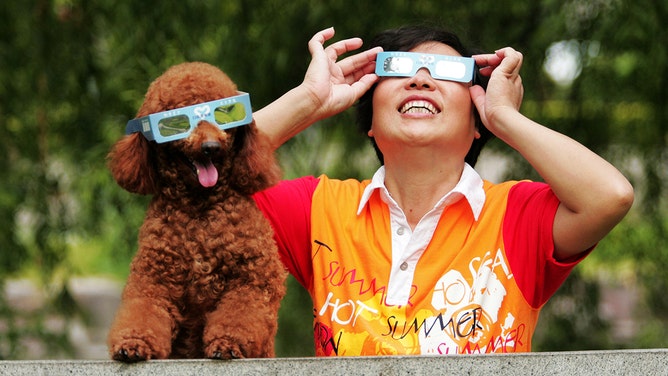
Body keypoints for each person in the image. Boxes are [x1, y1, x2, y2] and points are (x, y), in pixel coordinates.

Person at [251, 25, 634, 356]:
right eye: (397, 68)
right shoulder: (319, 208)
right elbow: (201, 177)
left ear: (477, 121)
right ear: (370, 121)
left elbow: (610, 196)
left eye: (448, 73)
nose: (420, 80)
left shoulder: (516, 215)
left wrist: (507, 119)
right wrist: (308, 101)